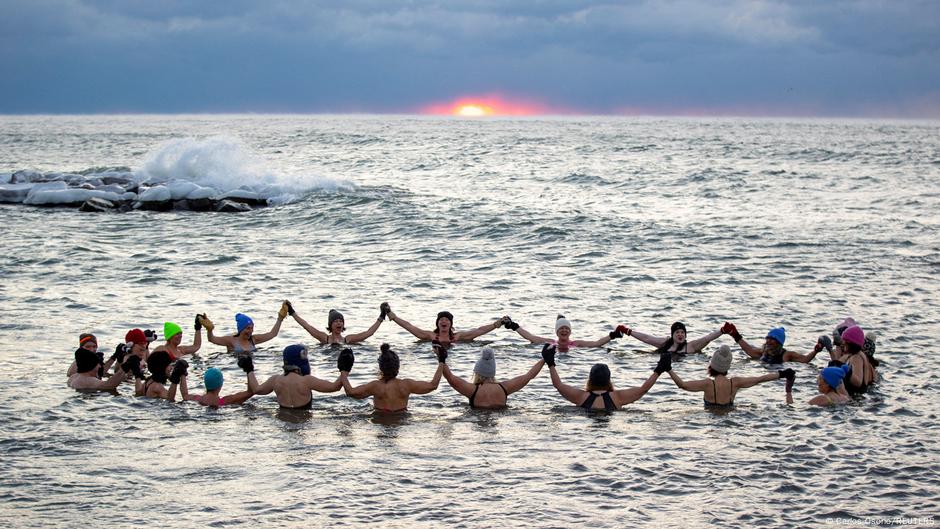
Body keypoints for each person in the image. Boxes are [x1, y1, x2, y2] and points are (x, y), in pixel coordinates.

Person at [544, 344, 669, 410]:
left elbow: (558, 385)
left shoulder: (581, 396)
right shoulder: (617, 397)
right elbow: (643, 389)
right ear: (609, 380)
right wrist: (659, 370)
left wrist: (550, 363)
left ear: (590, 379)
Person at [666, 344, 795, 407]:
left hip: (710, 418)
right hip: (730, 415)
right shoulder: (735, 383)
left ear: (711, 366)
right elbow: (760, 379)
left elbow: (682, 385)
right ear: (727, 367)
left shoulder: (707, 384)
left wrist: (668, 369)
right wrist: (782, 374)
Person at [342, 343, 443, 412]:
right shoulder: (406, 384)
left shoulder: (375, 386)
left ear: (380, 367)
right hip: (401, 419)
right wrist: (442, 361)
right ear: (398, 366)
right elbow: (433, 385)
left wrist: (343, 370)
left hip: (380, 419)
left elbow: (350, 392)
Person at [439, 345, 544, 409]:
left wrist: (441, 359)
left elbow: (450, 378)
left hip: (476, 417)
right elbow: (529, 376)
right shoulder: (504, 388)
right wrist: (544, 359)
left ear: (477, 372)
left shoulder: (472, 390)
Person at [241, 344, 345, 409]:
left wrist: (249, 369)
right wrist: (345, 369)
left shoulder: (275, 380)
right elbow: (335, 387)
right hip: (303, 422)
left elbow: (256, 389)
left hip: (283, 422)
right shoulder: (306, 381)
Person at [385, 304, 507, 347]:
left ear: (450, 324)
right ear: (437, 323)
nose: (444, 321)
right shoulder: (430, 336)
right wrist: (393, 316)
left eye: (446, 320)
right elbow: (410, 326)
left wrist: (497, 323)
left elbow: (479, 330)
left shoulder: (458, 337)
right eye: (441, 319)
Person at [202, 301, 290, 354]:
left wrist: (280, 318)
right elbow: (212, 339)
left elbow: (272, 334)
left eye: (252, 328)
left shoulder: (253, 339)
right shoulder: (231, 340)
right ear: (241, 329)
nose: (250, 331)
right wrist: (209, 330)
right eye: (248, 328)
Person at [504, 314, 623, 353]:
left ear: (570, 331)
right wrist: (514, 326)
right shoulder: (550, 343)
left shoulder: (576, 344)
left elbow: (596, 343)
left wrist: (612, 335)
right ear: (557, 331)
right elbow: (531, 337)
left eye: (567, 328)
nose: (564, 330)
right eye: (561, 328)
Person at [289, 302, 388, 345]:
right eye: (335, 321)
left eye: (341, 321)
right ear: (330, 325)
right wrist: (292, 312)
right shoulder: (324, 338)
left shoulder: (348, 339)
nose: (339, 323)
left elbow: (369, 333)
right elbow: (307, 326)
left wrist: (381, 316)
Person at [725, 324, 822, 364]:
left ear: (779, 342)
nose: (769, 341)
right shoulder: (763, 351)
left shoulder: (787, 354)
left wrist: (815, 351)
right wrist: (735, 335)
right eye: (768, 338)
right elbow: (749, 350)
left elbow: (805, 359)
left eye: (773, 339)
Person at [620, 321, 725, 355]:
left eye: (682, 332)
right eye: (677, 332)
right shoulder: (665, 343)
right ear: (672, 334)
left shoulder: (691, 346)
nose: (680, 334)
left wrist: (722, 330)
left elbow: (707, 338)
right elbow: (647, 338)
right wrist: (628, 331)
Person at [838, 325, 878, 395]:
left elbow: (858, 382)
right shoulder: (858, 355)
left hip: (855, 400)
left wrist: (846, 372)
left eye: (845, 340)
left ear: (851, 343)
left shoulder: (856, 357)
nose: (843, 343)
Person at [189, 368, 254, 407]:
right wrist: (248, 370)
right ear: (220, 384)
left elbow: (185, 395)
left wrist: (182, 374)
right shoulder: (226, 401)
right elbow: (250, 392)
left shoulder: (198, 399)